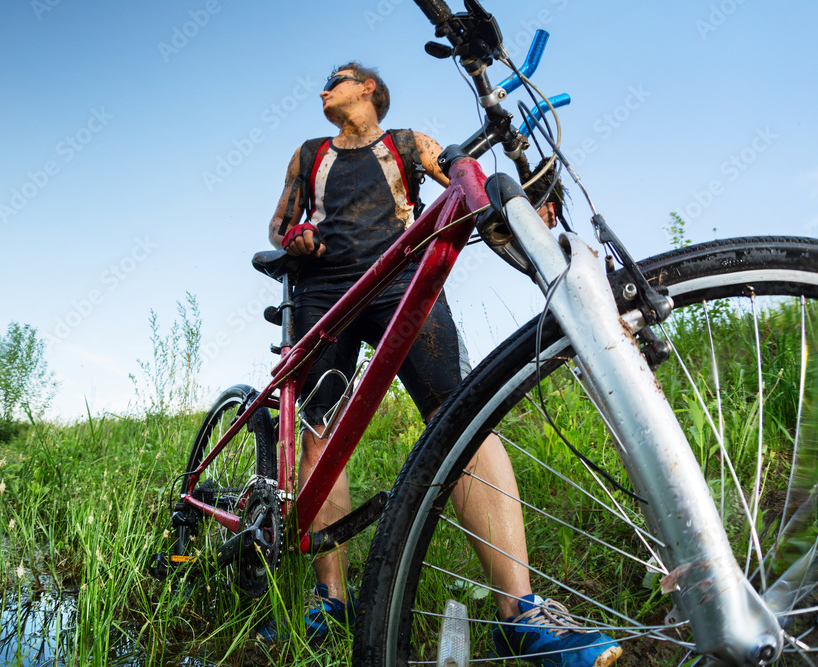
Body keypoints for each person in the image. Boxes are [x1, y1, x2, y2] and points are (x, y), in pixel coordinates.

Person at [261, 62, 622, 667]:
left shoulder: (405, 143)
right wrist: (293, 234)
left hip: (402, 281)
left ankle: (521, 612)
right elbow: (278, 223)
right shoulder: (308, 153)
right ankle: (331, 598)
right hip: (324, 290)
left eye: (339, 78)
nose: (324, 86)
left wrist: (520, 198)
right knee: (320, 429)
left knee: (459, 418)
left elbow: (455, 169)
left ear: (369, 89)